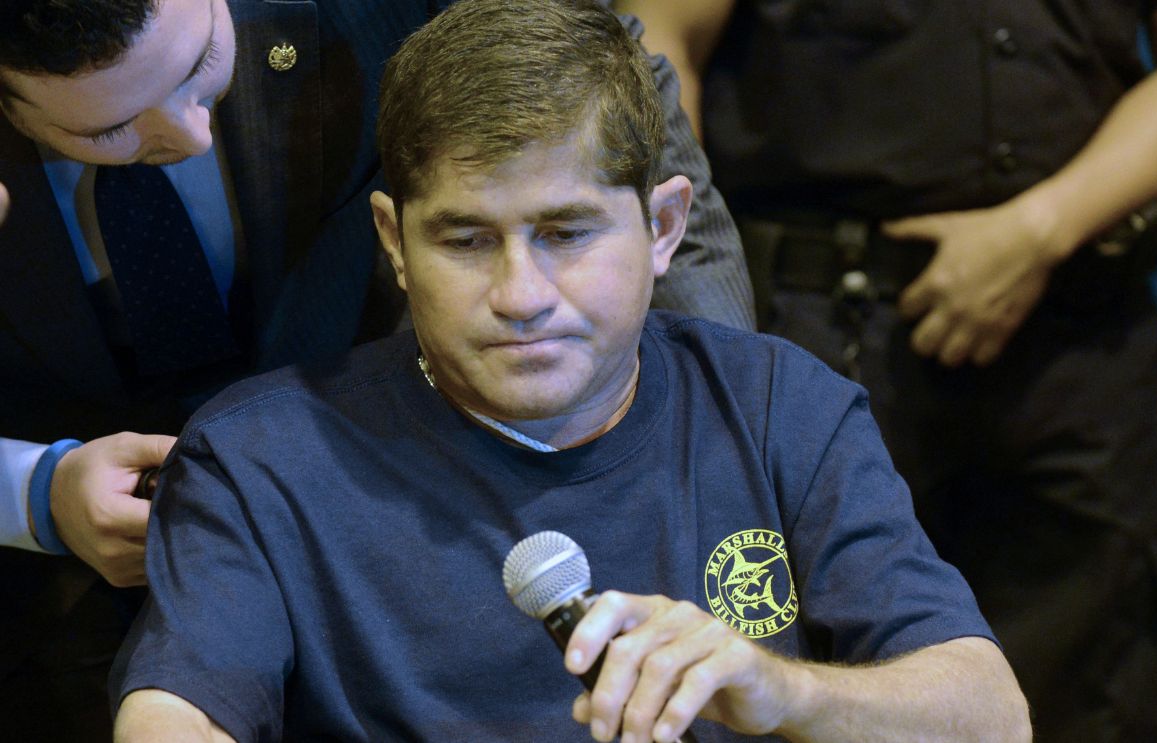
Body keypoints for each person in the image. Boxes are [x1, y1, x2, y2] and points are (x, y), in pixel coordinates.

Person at [109, 1, 1030, 740]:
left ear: (663, 227)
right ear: (393, 239)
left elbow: (990, 713)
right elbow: (171, 713)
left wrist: (777, 690)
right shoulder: (259, 457)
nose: (521, 293)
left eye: (566, 233)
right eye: (466, 239)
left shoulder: (781, 407)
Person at [0, 0, 753, 738]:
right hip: (52, 601)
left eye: (201, 66)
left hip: (399, 500)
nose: (190, 132)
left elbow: (609, 98)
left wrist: (699, 455)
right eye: (108, 128)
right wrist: (30, 491)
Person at [614, 0, 1157, 739]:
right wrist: (711, 335)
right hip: (808, 342)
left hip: (1079, 351)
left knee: (1101, 689)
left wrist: (1038, 232)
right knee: (792, 684)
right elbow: (657, 46)